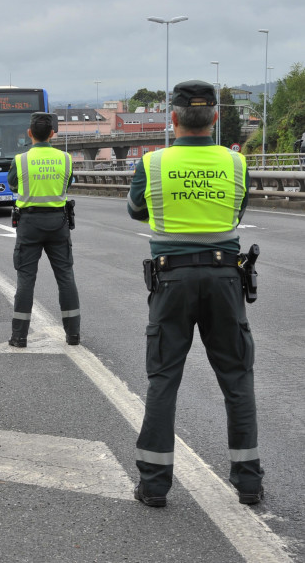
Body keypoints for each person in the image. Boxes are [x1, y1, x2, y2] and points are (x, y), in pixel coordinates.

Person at [127, 80, 263, 507]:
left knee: (163, 378)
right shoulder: (237, 163)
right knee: (237, 378)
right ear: (216, 118)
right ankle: (249, 482)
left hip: (171, 281)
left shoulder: (153, 163)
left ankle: (153, 486)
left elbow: (136, 209)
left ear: (173, 119)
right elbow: (238, 210)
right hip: (226, 279)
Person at [7, 112, 80, 348]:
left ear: (30, 134)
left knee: (26, 280)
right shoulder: (66, 159)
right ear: (52, 133)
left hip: (29, 224)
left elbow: (13, 184)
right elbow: (68, 183)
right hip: (58, 223)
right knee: (66, 278)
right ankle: (73, 335)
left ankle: (19, 337)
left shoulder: (20, 160)